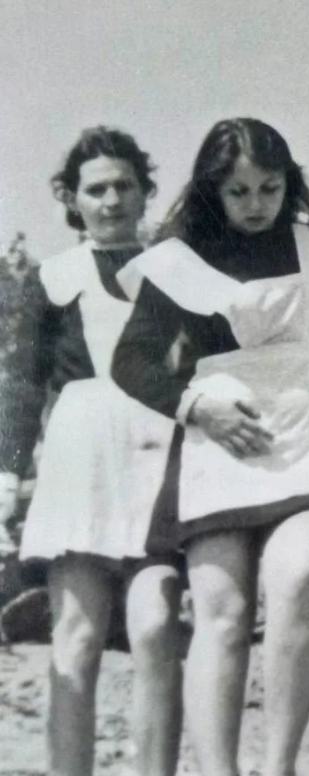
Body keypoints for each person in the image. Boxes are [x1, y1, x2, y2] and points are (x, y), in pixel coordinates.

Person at [111, 118, 309, 776]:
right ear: (212, 191)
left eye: (269, 187)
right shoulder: (180, 258)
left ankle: (280, 766)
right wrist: (199, 408)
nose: (256, 203)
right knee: (222, 614)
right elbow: (132, 360)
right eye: (238, 191)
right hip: (219, 436)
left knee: (298, 578)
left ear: (289, 183)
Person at [0, 127, 183, 776]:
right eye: (96, 189)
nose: (111, 201)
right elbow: (23, 384)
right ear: (72, 200)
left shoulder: (174, 271)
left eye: (124, 186)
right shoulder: (52, 278)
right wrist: (8, 474)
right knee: (75, 640)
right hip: (80, 460)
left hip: (157, 454)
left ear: (144, 192)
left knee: (156, 632)